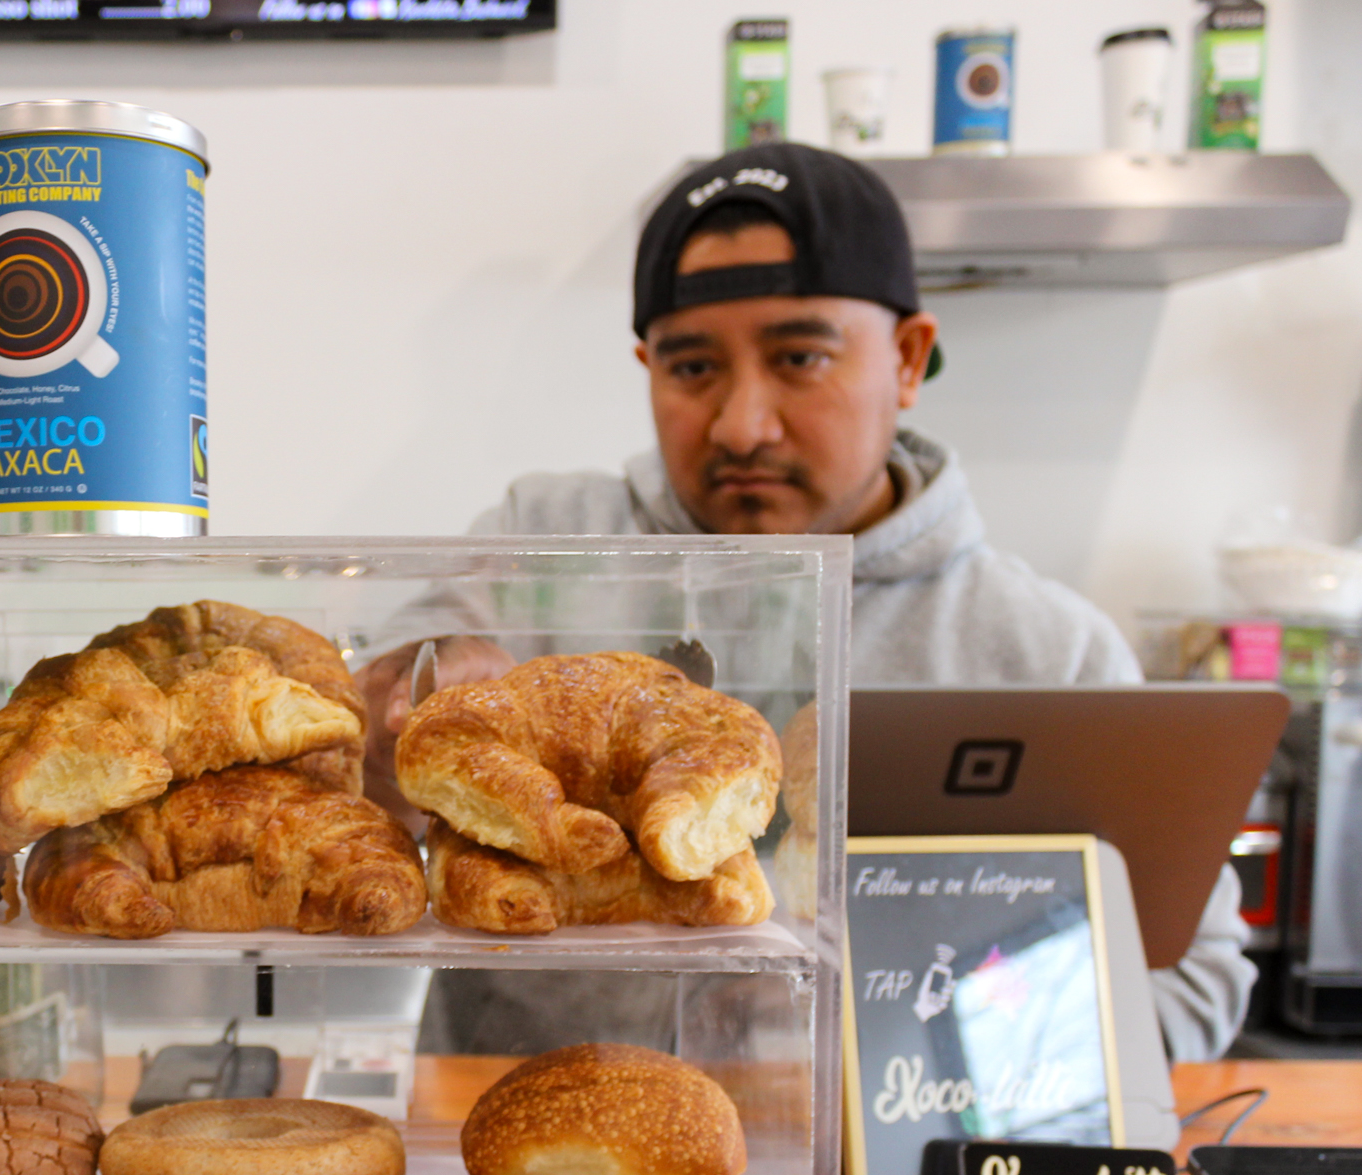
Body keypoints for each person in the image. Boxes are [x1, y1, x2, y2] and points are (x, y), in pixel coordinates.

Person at [357, 141, 1253, 1065]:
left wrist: (927, 1043)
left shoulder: (1048, 652)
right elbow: (357, 764)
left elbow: (1195, 979)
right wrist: (400, 701)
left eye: (800, 357)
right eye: (692, 368)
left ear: (908, 359)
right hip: (522, 1153)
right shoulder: (537, 541)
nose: (743, 423)